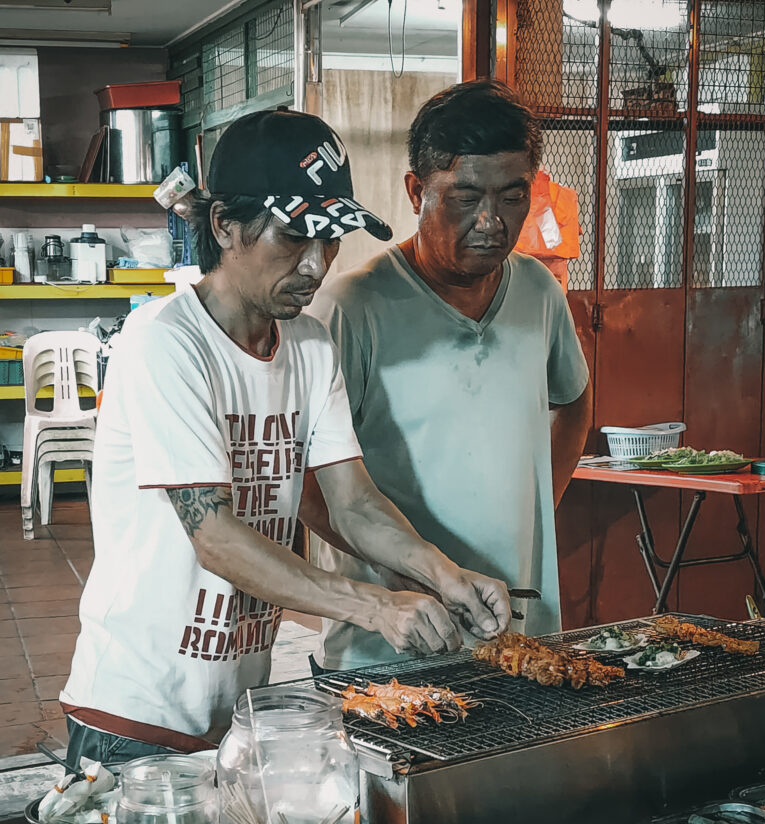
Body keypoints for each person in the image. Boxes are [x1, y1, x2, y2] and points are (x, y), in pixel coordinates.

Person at [60, 109, 511, 767]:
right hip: (133, 717)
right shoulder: (165, 344)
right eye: (295, 236)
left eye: (330, 241)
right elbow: (213, 536)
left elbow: (352, 504)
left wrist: (443, 574)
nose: (315, 264)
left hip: (233, 710)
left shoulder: (308, 346)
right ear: (224, 226)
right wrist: (376, 607)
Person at [302, 80, 592, 673]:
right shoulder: (350, 310)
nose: (491, 222)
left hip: (520, 626)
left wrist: (541, 508)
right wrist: (396, 569)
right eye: (465, 197)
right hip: (392, 642)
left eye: (514, 197)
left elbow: (574, 401)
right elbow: (304, 477)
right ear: (416, 191)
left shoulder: (540, 292)